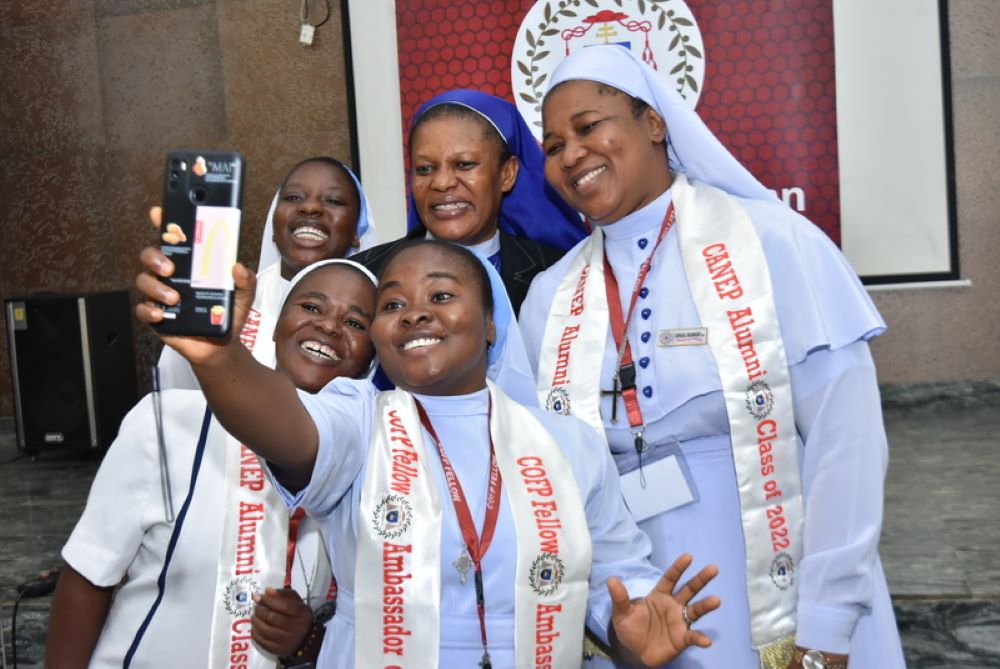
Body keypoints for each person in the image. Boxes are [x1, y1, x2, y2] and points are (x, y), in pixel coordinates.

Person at [135, 236, 722, 668]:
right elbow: (287, 428)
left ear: (491, 326)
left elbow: (616, 589)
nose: (415, 312)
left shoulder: (569, 444)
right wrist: (218, 358)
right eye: (392, 305)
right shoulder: (358, 417)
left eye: (441, 295)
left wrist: (630, 638)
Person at [519, 45, 906, 669]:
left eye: (588, 127)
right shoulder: (549, 295)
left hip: (781, 584)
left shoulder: (771, 241)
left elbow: (847, 441)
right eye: (554, 145)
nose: (571, 154)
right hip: (639, 603)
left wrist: (828, 620)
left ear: (653, 123)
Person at [46, 259, 378, 668]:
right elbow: (88, 576)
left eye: (357, 323)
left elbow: (366, 624)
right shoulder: (167, 421)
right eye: (311, 307)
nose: (329, 326)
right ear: (275, 326)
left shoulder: (374, 461)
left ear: (371, 360)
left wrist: (305, 640)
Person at [351, 89, 586, 314]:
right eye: (425, 169)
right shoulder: (364, 276)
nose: (441, 183)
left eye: (464, 164)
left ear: (507, 174)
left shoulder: (562, 276)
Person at [158, 156, 377, 390]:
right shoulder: (221, 304)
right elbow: (175, 394)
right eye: (293, 197)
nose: (310, 207)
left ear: (357, 231)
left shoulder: (377, 315)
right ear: (273, 227)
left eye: (333, 200)